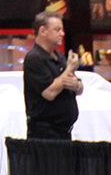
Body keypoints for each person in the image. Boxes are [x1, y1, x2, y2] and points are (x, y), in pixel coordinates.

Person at [22, 11, 81, 140]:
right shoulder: (34, 59)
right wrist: (70, 68)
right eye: (57, 30)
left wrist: (77, 86)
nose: (62, 34)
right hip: (45, 133)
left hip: (64, 131)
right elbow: (49, 92)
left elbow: (78, 86)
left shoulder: (59, 57)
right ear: (43, 31)